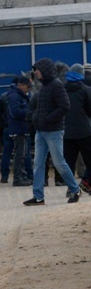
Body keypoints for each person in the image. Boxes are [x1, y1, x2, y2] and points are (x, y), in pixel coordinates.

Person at [24, 57, 79, 206]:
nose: (35, 73)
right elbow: (38, 106)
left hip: (54, 131)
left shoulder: (56, 86)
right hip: (41, 131)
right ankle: (38, 196)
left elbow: (65, 106)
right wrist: (36, 118)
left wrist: (47, 119)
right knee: (38, 164)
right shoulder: (43, 88)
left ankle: (75, 189)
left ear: (45, 71)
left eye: (37, 70)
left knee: (59, 162)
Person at [62, 63, 91, 193]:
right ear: (81, 74)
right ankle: (86, 182)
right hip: (84, 131)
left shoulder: (62, 89)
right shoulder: (85, 89)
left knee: (69, 162)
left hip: (66, 132)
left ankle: (71, 188)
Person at [5, 77, 33, 187]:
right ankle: (18, 178)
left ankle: (22, 176)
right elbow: (15, 112)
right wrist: (29, 111)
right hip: (19, 129)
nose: (28, 90)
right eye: (27, 87)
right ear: (21, 85)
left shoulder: (19, 96)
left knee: (23, 154)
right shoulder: (14, 96)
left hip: (22, 128)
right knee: (19, 155)